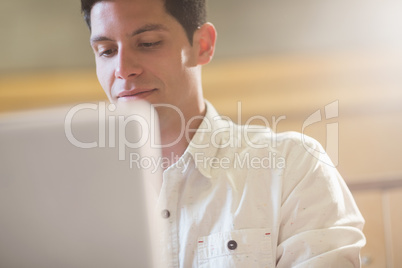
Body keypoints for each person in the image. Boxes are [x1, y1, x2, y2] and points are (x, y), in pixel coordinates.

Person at [81, 0, 366, 267]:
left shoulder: (292, 166)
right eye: (106, 51)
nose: (123, 70)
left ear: (202, 45)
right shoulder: (80, 191)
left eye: (148, 43)